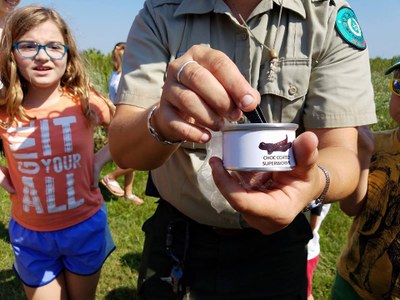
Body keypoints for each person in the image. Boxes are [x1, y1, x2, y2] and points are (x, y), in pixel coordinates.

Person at [108, 0, 377, 298]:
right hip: (178, 242)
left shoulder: (325, 14)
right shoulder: (161, 13)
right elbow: (123, 149)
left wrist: (313, 182)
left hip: (277, 250)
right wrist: (160, 120)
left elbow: (343, 152)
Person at [0, 5, 115, 300]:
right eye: (28, 46)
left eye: (53, 46)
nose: (42, 55)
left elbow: (126, 131)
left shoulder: (85, 101)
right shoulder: (5, 110)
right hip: (30, 235)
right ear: (12, 54)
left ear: (67, 52)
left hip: (84, 227)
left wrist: (99, 162)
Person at [331, 58, 400, 300]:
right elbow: (351, 208)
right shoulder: (376, 145)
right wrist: (363, 156)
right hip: (352, 285)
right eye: (399, 86)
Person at [101, 42, 143, 204]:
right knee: (139, 159)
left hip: (117, 119)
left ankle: (128, 193)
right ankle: (111, 177)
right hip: (125, 120)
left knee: (130, 157)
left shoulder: (115, 75)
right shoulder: (124, 79)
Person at [306, 203, 331, 300]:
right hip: (304, 250)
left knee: (305, 294)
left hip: (305, 253)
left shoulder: (314, 191)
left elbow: (311, 224)